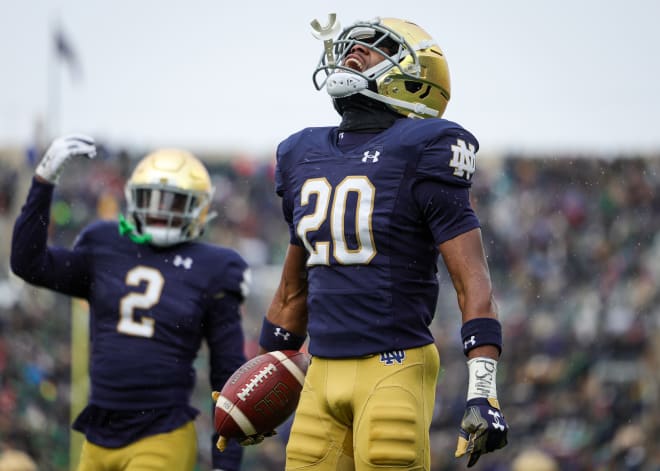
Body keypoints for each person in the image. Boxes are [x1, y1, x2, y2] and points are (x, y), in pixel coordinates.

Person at [249, 15, 508, 470]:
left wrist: (483, 390)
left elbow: (472, 283)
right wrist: (260, 378)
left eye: (376, 47)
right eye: (352, 44)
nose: (355, 51)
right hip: (320, 371)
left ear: (417, 79)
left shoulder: (425, 146)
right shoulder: (301, 152)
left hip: (393, 366)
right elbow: (293, 290)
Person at [10, 137, 250, 471]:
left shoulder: (214, 266)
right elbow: (27, 264)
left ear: (200, 208)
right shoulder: (105, 243)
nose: (161, 211)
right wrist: (43, 181)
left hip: (161, 434)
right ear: (134, 198)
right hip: (99, 434)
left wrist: (227, 459)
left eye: (174, 202)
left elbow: (228, 373)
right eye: (152, 199)